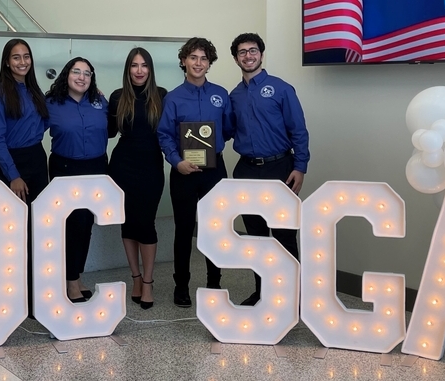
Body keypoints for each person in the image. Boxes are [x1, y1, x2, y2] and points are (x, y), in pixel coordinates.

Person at [228, 33, 310, 306]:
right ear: (236, 58)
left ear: (262, 55)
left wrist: (300, 166)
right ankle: (263, 292)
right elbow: (226, 131)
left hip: (280, 168)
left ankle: (292, 295)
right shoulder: (234, 95)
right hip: (247, 171)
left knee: (284, 235)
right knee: (257, 238)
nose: (248, 56)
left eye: (253, 51)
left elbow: (299, 130)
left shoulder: (281, 89)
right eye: (242, 52)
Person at [157, 37, 235, 308]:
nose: (198, 63)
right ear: (183, 61)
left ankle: (214, 282)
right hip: (184, 172)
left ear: (209, 63)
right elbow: (164, 135)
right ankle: (182, 287)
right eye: (193, 58)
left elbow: (227, 129)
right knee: (184, 229)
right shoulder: (173, 98)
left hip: (215, 171)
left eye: (203, 58)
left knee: (216, 227)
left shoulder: (221, 94)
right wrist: (177, 161)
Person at [0, 38, 50, 316]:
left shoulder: (35, 91)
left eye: (26, 56)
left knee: (37, 231)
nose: (22, 62)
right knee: (14, 232)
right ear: (6, 62)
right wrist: (13, 176)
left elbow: (45, 123)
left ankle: (36, 296)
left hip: (37, 159)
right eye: (16, 57)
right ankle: (14, 298)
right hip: (12, 164)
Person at [45, 57, 109, 303]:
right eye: (76, 72)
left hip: (96, 166)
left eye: (87, 73)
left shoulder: (99, 101)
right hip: (65, 167)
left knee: (86, 225)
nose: (82, 77)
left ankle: (76, 276)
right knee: (71, 225)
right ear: (66, 75)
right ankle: (70, 281)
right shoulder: (51, 102)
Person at [107, 47, 167, 310]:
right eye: (134, 65)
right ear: (128, 69)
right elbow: (108, 132)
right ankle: (136, 278)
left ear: (150, 70)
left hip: (151, 166)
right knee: (128, 223)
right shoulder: (117, 96)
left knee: (146, 223)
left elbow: (174, 129)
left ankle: (149, 281)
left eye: (144, 65)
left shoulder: (162, 95)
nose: (139, 70)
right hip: (122, 166)